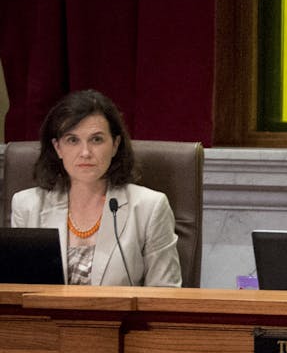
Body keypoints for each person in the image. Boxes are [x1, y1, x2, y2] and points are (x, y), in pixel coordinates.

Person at [8, 89, 181, 287]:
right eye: (72, 140)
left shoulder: (149, 208)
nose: (85, 152)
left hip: (121, 318)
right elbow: (18, 293)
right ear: (57, 148)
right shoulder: (28, 206)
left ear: (115, 145)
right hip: (49, 318)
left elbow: (165, 292)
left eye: (96, 139)